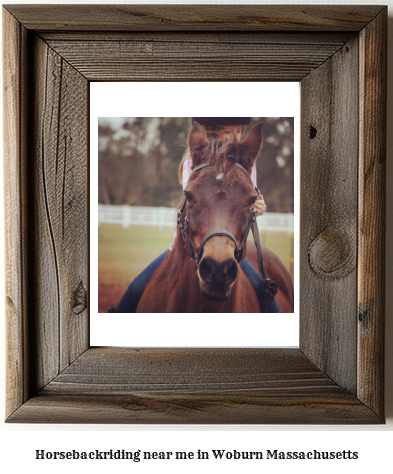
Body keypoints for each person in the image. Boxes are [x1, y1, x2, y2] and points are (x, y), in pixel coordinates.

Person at [115, 117, 279, 313]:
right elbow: (193, 201)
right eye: (228, 131)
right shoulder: (192, 163)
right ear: (212, 131)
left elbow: (249, 200)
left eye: (239, 131)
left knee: (265, 296)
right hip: (189, 244)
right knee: (136, 288)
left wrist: (259, 206)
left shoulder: (245, 164)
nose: (235, 137)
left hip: (231, 246)